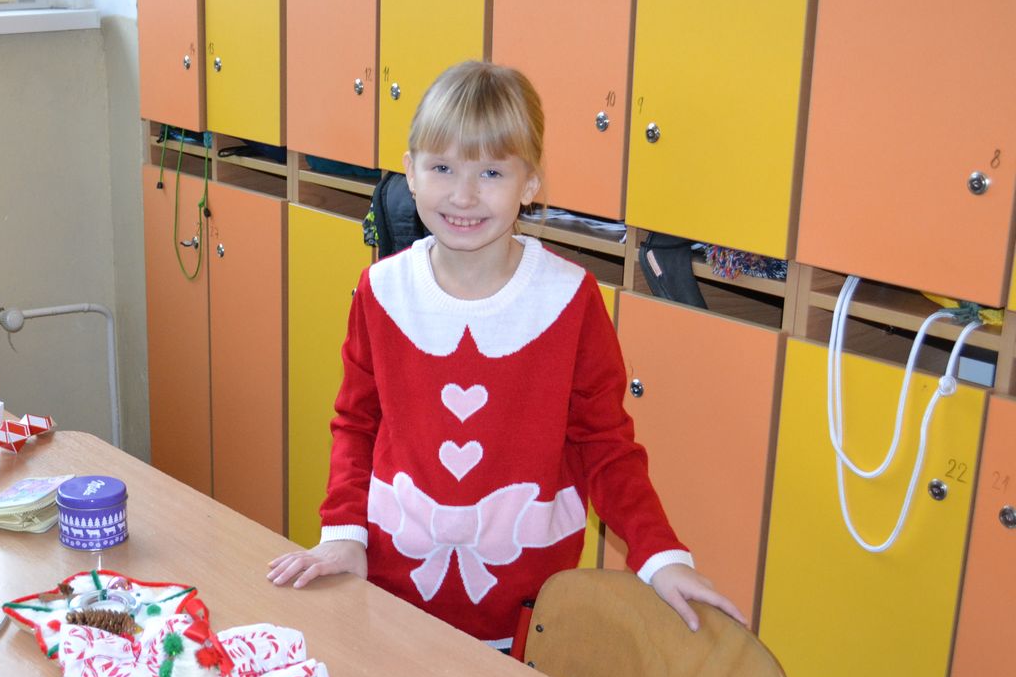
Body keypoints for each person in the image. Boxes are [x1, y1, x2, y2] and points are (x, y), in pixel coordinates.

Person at [267, 62, 745, 647]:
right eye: (442, 167)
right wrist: (343, 533)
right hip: (393, 598)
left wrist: (659, 554)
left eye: (491, 172)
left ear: (530, 184)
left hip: (526, 615)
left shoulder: (569, 299)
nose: (463, 195)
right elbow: (356, 423)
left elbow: (605, 445)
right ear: (410, 172)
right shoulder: (381, 291)